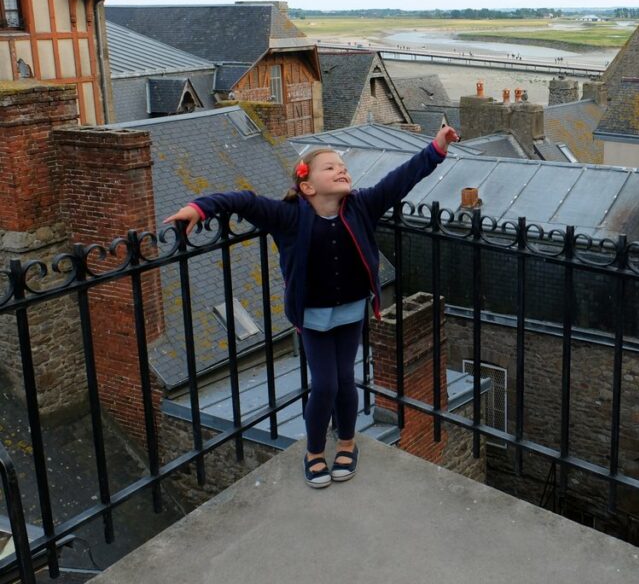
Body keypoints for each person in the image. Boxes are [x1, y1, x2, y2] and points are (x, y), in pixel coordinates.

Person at [164, 125, 460, 488]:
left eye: (342, 166)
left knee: (346, 381)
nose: (341, 169)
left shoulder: (363, 205)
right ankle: (315, 452)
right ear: (307, 186)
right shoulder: (289, 216)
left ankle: (348, 442)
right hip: (314, 317)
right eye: (330, 167)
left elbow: (402, 178)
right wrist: (199, 207)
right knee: (324, 385)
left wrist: (436, 147)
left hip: (352, 311)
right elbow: (242, 200)